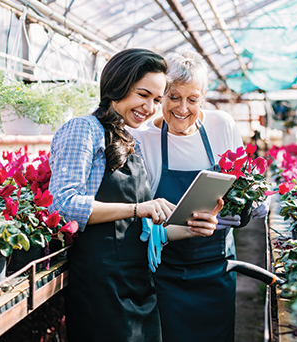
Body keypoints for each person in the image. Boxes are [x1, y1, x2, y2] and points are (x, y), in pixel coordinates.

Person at [48, 48, 221, 342]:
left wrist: (191, 229)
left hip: (139, 284)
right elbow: (64, 205)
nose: (150, 107)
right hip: (101, 288)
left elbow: (145, 232)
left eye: (156, 99)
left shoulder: (130, 141)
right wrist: (138, 208)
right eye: (144, 94)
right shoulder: (84, 129)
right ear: (118, 86)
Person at [131, 50, 269, 342]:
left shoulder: (221, 125)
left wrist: (251, 203)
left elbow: (241, 185)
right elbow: (140, 215)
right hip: (167, 272)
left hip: (217, 267)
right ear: (160, 97)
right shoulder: (143, 139)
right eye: (173, 97)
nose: (182, 108)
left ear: (203, 97)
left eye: (192, 99)